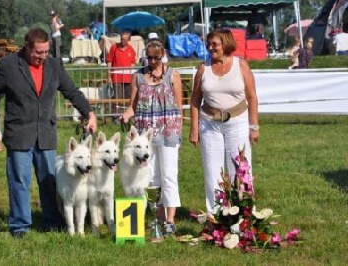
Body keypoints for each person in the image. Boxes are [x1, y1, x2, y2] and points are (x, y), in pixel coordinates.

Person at [0, 28, 97, 238]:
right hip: (19, 133)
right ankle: (20, 226)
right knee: (19, 181)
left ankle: (52, 222)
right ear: (26, 46)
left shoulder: (54, 65)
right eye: (38, 53)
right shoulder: (8, 65)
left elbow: (71, 91)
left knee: (49, 181)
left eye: (46, 52)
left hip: (46, 133)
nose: (42, 57)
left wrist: (89, 112)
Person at [189, 29, 259, 216]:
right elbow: (195, 100)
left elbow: (252, 97)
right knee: (213, 172)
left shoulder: (241, 65)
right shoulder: (203, 68)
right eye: (209, 44)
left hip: (238, 122)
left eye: (215, 44)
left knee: (240, 168)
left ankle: (244, 214)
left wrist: (254, 127)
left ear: (225, 44)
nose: (210, 47)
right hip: (209, 125)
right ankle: (217, 217)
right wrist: (194, 129)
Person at [120, 39, 183, 236]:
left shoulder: (173, 75)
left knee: (169, 175)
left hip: (168, 132)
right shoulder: (138, 76)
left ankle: (170, 220)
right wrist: (126, 114)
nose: (153, 61)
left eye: (156, 57)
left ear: (163, 54)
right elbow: (133, 104)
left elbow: (179, 106)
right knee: (150, 176)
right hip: (144, 136)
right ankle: (157, 218)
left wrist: (179, 130)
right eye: (149, 57)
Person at [106, 31, 136, 118]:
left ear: (128, 40)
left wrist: (133, 78)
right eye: (121, 39)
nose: (122, 41)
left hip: (128, 78)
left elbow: (132, 64)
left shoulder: (131, 50)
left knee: (128, 98)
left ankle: (126, 116)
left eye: (124, 40)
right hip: (116, 78)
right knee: (117, 97)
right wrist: (109, 76)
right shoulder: (114, 47)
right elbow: (109, 62)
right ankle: (116, 116)